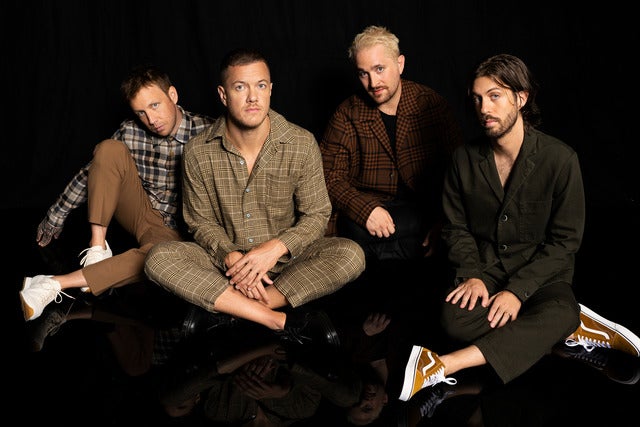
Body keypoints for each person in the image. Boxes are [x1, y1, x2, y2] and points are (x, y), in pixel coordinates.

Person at [398, 53, 640, 402]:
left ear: (521, 98)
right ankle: (561, 330)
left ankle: (442, 364)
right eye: (477, 99)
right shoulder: (463, 159)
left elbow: (565, 242)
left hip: (543, 277)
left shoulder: (560, 159)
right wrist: (471, 274)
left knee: (559, 309)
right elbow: (455, 227)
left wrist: (517, 292)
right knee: (454, 321)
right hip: (487, 269)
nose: (484, 108)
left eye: (494, 96)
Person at [144, 48, 366, 342]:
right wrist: (232, 258)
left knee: (351, 254)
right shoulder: (198, 151)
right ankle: (272, 318)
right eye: (240, 87)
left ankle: (235, 308)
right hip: (223, 265)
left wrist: (274, 249)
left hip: (286, 264)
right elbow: (200, 222)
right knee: (158, 259)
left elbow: (316, 215)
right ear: (223, 95)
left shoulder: (300, 143)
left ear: (270, 89)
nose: (253, 97)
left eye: (260, 86)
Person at [20, 65, 214, 321]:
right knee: (109, 149)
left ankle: (52, 283)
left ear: (173, 95)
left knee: (158, 258)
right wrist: (56, 215)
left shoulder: (209, 132)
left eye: (155, 105)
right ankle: (97, 248)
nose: (151, 120)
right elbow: (93, 172)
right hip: (142, 211)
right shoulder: (131, 131)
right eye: (141, 112)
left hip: (184, 229)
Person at [319, 25, 463, 263]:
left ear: (400, 64)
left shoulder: (431, 104)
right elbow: (328, 177)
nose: (373, 82)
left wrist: (443, 220)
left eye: (379, 69)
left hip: (422, 209)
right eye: (363, 73)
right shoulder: (347, 113)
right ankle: (406, 250)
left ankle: (379, 255)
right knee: (351, 228)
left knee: (447, 229)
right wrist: (365, 210)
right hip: (371, 212)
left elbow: (458, 171)